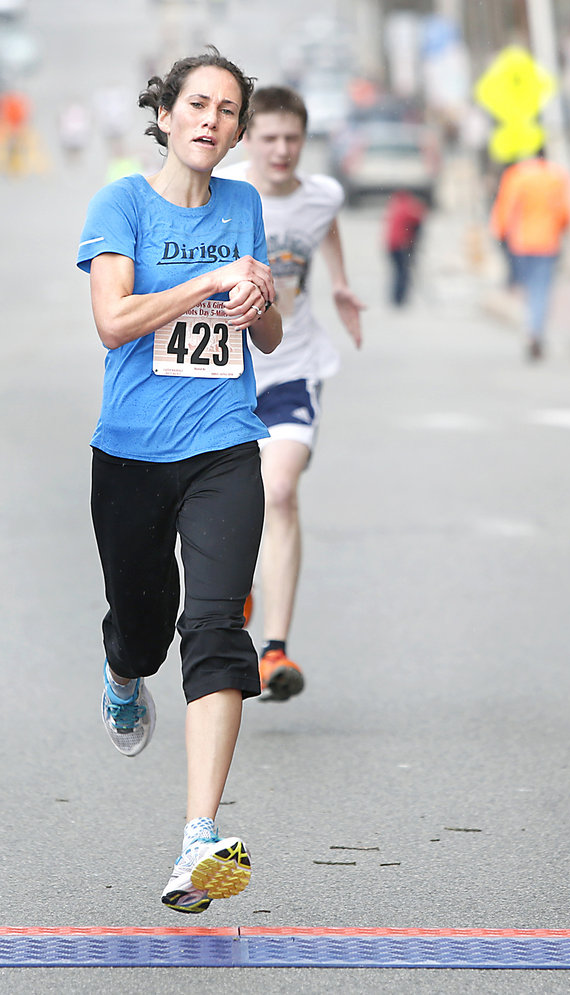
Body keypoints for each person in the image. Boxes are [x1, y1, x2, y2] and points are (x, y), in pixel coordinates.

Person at [76, 48, 282, 913]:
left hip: (225, 445)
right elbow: (113, 321)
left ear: (237, 131)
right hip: (130, 454)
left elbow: (266, 338)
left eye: (227, 110)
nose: (210, 120)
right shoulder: (120, 202)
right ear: (164, 115)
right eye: (196, 104)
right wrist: (206, 280)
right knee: (145, 628)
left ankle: (201, 836)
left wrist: (262, 293)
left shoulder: (244, 205)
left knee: (216, 626)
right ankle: (123, 675)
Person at [218, 86, 364, 701]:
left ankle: (273, 651)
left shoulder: (322, 193)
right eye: (270, 138)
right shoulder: (222, 192)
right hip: (225, 374)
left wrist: (340, 284)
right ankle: (242, 583)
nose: (281, 150)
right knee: (234, 502)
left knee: (279, 490)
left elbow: (323, 226)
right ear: (249, 139)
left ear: (304, 140)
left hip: (295, 368)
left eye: (292, 139)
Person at [490, 149, 570, 361]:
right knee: (541, 289)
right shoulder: (557, 176)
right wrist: (562, 228)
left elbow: (505, 208)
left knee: (527, 288)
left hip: (521, 242)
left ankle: (530, 329)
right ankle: (535, 331)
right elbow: (565, 211)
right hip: (548, 242)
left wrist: (500, 233)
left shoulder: (517, 175)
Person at [383, 188, 428, 306]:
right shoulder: (407, 208)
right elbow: (419, 217)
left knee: (398, 271)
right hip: (400, 245)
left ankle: (397, 297)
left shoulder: (394, 207)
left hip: (391, 245)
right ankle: (399, 298)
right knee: (402, 272)